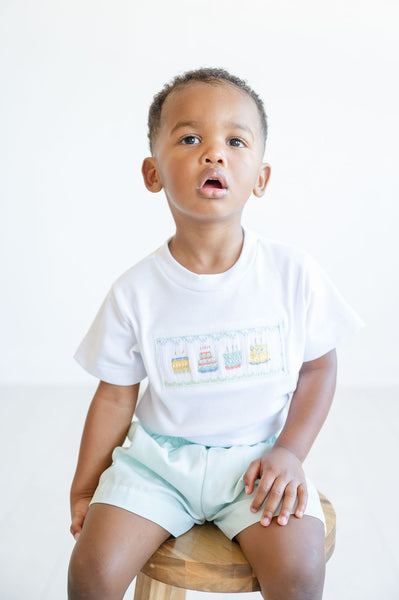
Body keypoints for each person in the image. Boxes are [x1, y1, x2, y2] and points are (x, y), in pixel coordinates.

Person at [68, 67, 363, 600]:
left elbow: (319, 367)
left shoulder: (292, 273)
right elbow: (115, 396)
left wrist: (290, 452)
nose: (214, 153)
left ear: (261, 177)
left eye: (234, 140)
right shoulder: (135, 291)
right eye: (189, 138)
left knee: (299, 572)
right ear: (153, 172)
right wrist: (86, 486)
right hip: (156, 464)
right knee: (91, 571)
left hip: (258, 465)